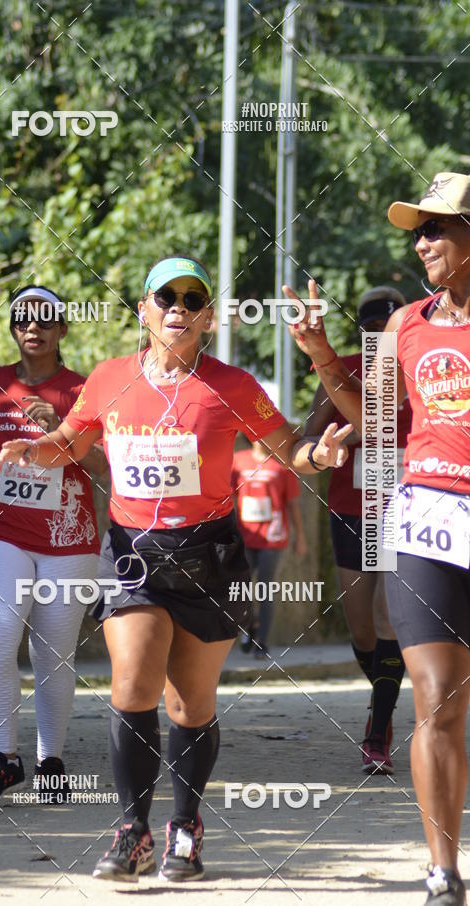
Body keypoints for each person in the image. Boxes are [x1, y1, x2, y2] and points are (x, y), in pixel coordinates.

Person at [0, 254, 352, 882]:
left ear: (209, 317)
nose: (178, 309)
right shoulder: (108, 379)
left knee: (190, 704)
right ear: (144, 311)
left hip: (210, 555)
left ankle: (184, 826)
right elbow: (72, 445)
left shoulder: (232, 386)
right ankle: (132, 833)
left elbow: (288, 447)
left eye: (193, 299)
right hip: (132, 552)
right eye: (166, 298)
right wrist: (30, 451)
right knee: (132, 684)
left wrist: (316, 454)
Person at [284, 172, 470, 905]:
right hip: (426, 516)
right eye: (417, 231)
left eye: (438, 228)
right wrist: (323, 353)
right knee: (436, 701)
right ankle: (443, 872)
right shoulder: (407, 324)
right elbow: (378, 420)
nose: (423, 242)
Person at [0, 285, 106, 802]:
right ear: (12, 326)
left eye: (46, 320)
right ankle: (4, 758)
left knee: (53, 653)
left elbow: (106, 466)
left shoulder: (85, 389)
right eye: (23, 319)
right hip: (5, 534)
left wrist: (61, 436)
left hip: (69, 540)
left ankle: (51, 762)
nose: (33, 327)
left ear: (62, 329)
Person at [305, 287, 412, 774]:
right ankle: (382, 696)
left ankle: (377, 731)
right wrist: (325, 446)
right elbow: (308, 431)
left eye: (385, 327)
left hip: (406, 511)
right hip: (354, 511)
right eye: (369, 328)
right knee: (362, 628)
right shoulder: (339, 367)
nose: (377, 336)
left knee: (388, 620)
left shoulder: (421, 365)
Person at [231, 438, 307, 659]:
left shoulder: (282, 464)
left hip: (273, 537)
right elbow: (229, 496)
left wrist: (300, 536)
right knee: (239, 585)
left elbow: (292, 503)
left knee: (265, 587)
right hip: (245, 535)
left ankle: (262, 641)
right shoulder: (238, 460)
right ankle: (251, 624)